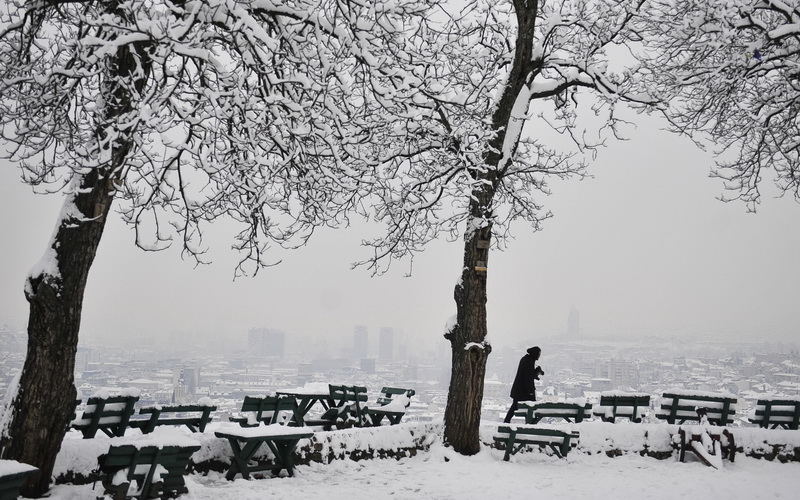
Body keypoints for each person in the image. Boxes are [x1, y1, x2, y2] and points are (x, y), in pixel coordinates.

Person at [503, 346, 543, 423]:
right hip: (523, 390)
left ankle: (507, 421)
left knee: (515, 406)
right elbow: (527, 377)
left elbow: (527, 374)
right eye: (539, 354)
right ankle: (530, 424)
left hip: (520, 389)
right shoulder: (529, 361)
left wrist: (536, 372)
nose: (539, 356)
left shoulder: (526, 359)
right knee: (531, 406)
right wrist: (530, 391)